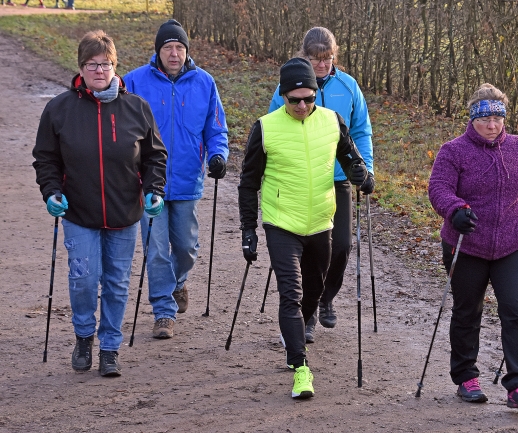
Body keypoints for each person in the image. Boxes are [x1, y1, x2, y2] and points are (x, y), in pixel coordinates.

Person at [32, 30, 167, 377]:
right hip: (77, 210)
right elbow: (45, 158)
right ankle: (83, 336)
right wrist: (51, 192)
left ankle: (110, 348)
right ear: (80, 67)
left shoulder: (136, 108)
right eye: (92, 64)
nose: (99, 70)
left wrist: (154, 189)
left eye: (106, 64)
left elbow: (155, 156)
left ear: (115, 67)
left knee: (118, 282)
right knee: (83, 278)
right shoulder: (59, 109)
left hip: (125, 212)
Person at [239, 58, 368, 399]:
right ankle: (300, 367)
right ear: (283, 96)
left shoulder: (332, 122)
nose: (302, 105)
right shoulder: (265, 128)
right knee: (291, 294)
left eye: (308, 98)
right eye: (294, 99)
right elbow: (248, 183)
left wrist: (363, 176)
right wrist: (248, 230)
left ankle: (297, 328)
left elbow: (354, 162)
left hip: (320, 222)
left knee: (313, 291)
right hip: (281, 223)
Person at [428, 83, 518, 410]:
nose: (492, 125)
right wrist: (455, 210)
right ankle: (466, 377)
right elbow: (439, 188)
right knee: (467, 310)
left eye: (498, 118)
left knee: (515, 310)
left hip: (512, 246)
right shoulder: (453, 150)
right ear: (472, 119)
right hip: (466, 244)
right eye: (485, 118)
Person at [124, 19, 229, 339]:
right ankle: (163, 312)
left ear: (187, 51)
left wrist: (218, 155)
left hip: (185, 180)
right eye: (168, 47)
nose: (174, 53)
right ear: (157, 51)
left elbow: (216, 128)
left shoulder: (204, 83)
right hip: (146, 182)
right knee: (156, 249)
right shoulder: (135, 81)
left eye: (179, 48)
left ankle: (178, 282)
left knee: (186, 247)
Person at [269, 27, 375, 343]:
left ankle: (327, 296)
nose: (322, 66)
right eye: (316, 59)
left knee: (340, 245)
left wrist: (365, 169)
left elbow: (361, 131)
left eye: (327, 59)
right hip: (301, 181)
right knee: (308, 251)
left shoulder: (348, 86)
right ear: (305, 57)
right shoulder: (288, 87)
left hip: (339, 179)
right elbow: (274, 128)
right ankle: (309, 310)